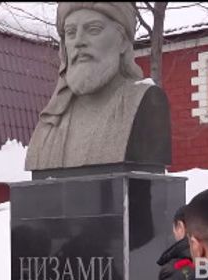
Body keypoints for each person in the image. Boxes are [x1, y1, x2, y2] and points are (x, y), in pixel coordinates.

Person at [25, 2, 171, 171]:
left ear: (123, 41)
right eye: (71, 33)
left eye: (93, 29)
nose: (78, 41)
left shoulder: (146, 104)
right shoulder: (50, 123)